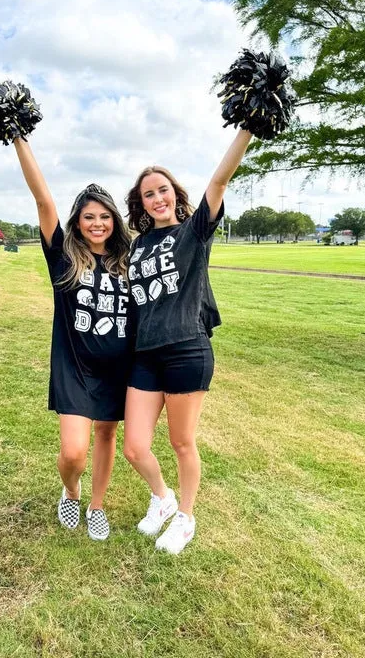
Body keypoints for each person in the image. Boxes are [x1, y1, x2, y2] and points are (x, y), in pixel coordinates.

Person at [123, 128, 252, 554]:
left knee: (181, 442)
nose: (157, 198)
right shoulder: (138, 245)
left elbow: (219, 181)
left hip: (186, 349)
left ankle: (186, 517)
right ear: (140, 204)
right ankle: (162, 499)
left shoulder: (193, 232)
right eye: (148, 194)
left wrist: (247, 125)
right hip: (145, 355)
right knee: (135, 447)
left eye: (163, 190)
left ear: (175, 194)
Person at [14, 137, 132, 540]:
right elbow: (44, 201)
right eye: (88, 217)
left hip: (117, 367)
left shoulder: (127, 262)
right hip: (75, 367)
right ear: (77, 223)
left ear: (114, 220)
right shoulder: (64, 258)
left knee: (106, 433)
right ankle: (71, 489)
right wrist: (18, 136)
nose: (97, 223)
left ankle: (97, 505)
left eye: (104, 216)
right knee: (72, 452)